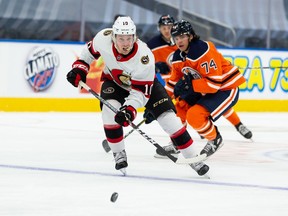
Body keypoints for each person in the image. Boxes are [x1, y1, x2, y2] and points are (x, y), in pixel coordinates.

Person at [66, 16, 209, 176]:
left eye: (129, 38)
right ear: (114, 37)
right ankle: (119, 153)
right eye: (121, 39)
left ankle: (194, 159)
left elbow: (140, 92)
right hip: (114, 82)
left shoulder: (144, 56)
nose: (126, 43)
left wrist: (129, 110)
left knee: (169, 120)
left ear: (135, 37)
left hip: (146, 87)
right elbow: (88, 52)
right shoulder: (103, 38)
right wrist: (80, 68)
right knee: (108, 114)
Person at [160, 19, 252, 158]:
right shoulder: (178, 57)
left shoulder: (203, 50)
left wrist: (191, 85)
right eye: (176, 38)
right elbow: (173, 82)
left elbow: (214, 84)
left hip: (225, 88)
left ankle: (215, 139)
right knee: (180, 106)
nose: (179, 41)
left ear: (190, 36)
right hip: (205, 89)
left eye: (183, 36)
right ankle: (179, 143)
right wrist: (160, 102)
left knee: (195, 116)